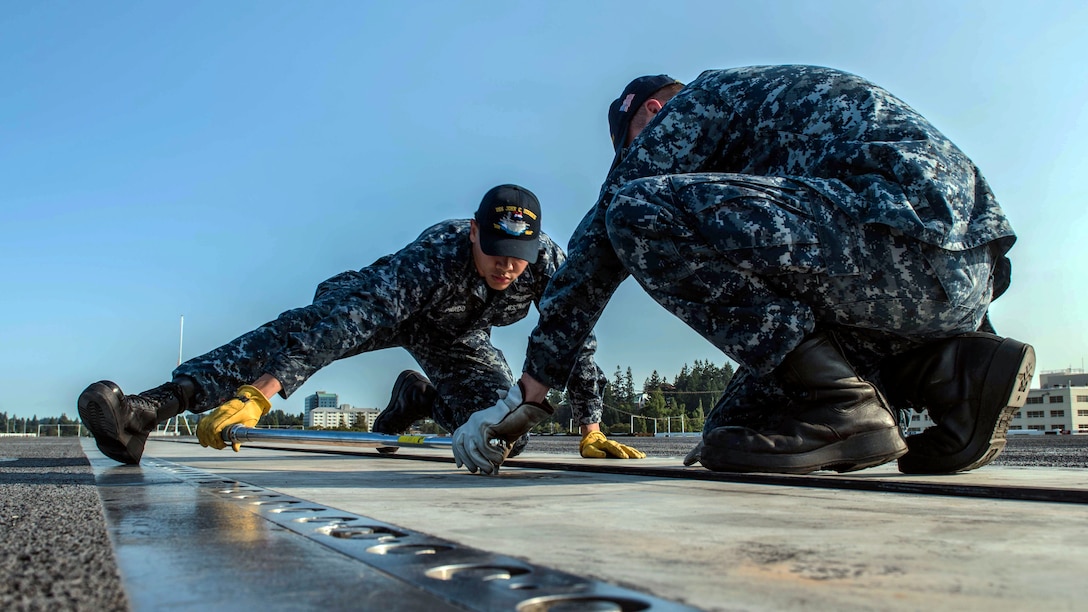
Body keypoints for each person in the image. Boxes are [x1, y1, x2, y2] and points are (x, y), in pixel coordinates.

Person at [451, 66, 1035, 476]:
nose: (636, 162)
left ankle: (843, 404)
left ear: (652, 111)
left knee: (634, 209)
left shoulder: (694, 104)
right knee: (732, 432)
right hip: (951, 278)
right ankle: (958, 372)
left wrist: (525, 392)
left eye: (630, 148)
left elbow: (598, 241)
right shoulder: (768, 117)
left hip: (889, 239)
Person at [78, 184, 644, 466]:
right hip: (384, 303)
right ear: (473, 232)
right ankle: (149, 409)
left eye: (516, 254)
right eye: (495, 249)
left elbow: (573, 336)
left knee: (498, 437)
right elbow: (350, 321)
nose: (507, 265)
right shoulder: (436, 254)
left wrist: (590, 428)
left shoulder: (546, 263)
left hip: (457, 338)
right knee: (302, 327)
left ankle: (417, 398)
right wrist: (262, 393)